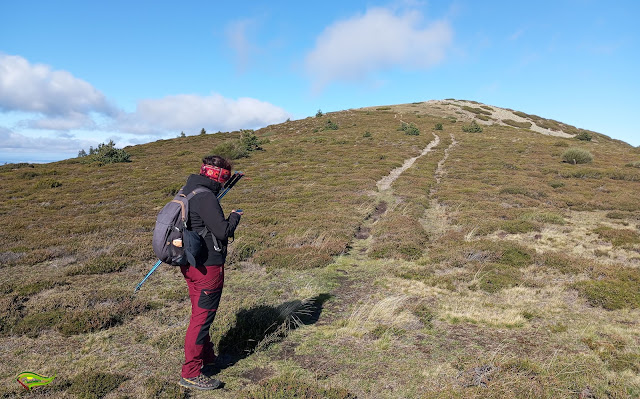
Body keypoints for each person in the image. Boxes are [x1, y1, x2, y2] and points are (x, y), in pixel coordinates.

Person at [178, 155, 242, 390]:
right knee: (202, 318)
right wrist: (235, 217)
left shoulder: (188, 190)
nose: (225, 182)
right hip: (208, 267)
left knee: (200, 314)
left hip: (191, 263)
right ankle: (191, 373)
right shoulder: (206, 197)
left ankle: (208, 358)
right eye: (225, 176)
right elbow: (223, 231)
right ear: (218, 176)